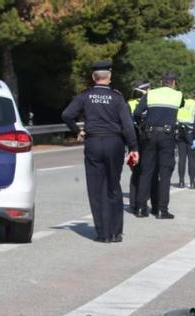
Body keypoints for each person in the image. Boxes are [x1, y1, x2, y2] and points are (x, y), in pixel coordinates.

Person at [61, 60, 138, 243]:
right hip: (114, 144)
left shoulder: (85, 96)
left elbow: (66, 115)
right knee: (113, 186)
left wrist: (77, 130)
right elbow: (127, 126)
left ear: (93, 77)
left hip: (93, 142)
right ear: (109, 77)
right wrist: (133, 147)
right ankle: (115, 232)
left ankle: (102, 233)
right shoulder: (117, 97)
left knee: (96, 189)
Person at [132, 71, 183, 219]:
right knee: (164, 174)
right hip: (168, 136)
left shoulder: (151, 94)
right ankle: (161, 210)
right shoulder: (178, 95)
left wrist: (145, 123)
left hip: (149, 135)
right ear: (173, 83)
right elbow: (180, 106)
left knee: (146, 171)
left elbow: (137, 113)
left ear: (161, 82)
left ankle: (141, 209)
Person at [128, 82, 150, 210]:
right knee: (140, 172)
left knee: (139, 172)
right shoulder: (133, 103)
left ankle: (137, 201)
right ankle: (137, 202)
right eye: (148, 89)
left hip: (139, 141)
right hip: (138, 141)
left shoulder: (146, 102)